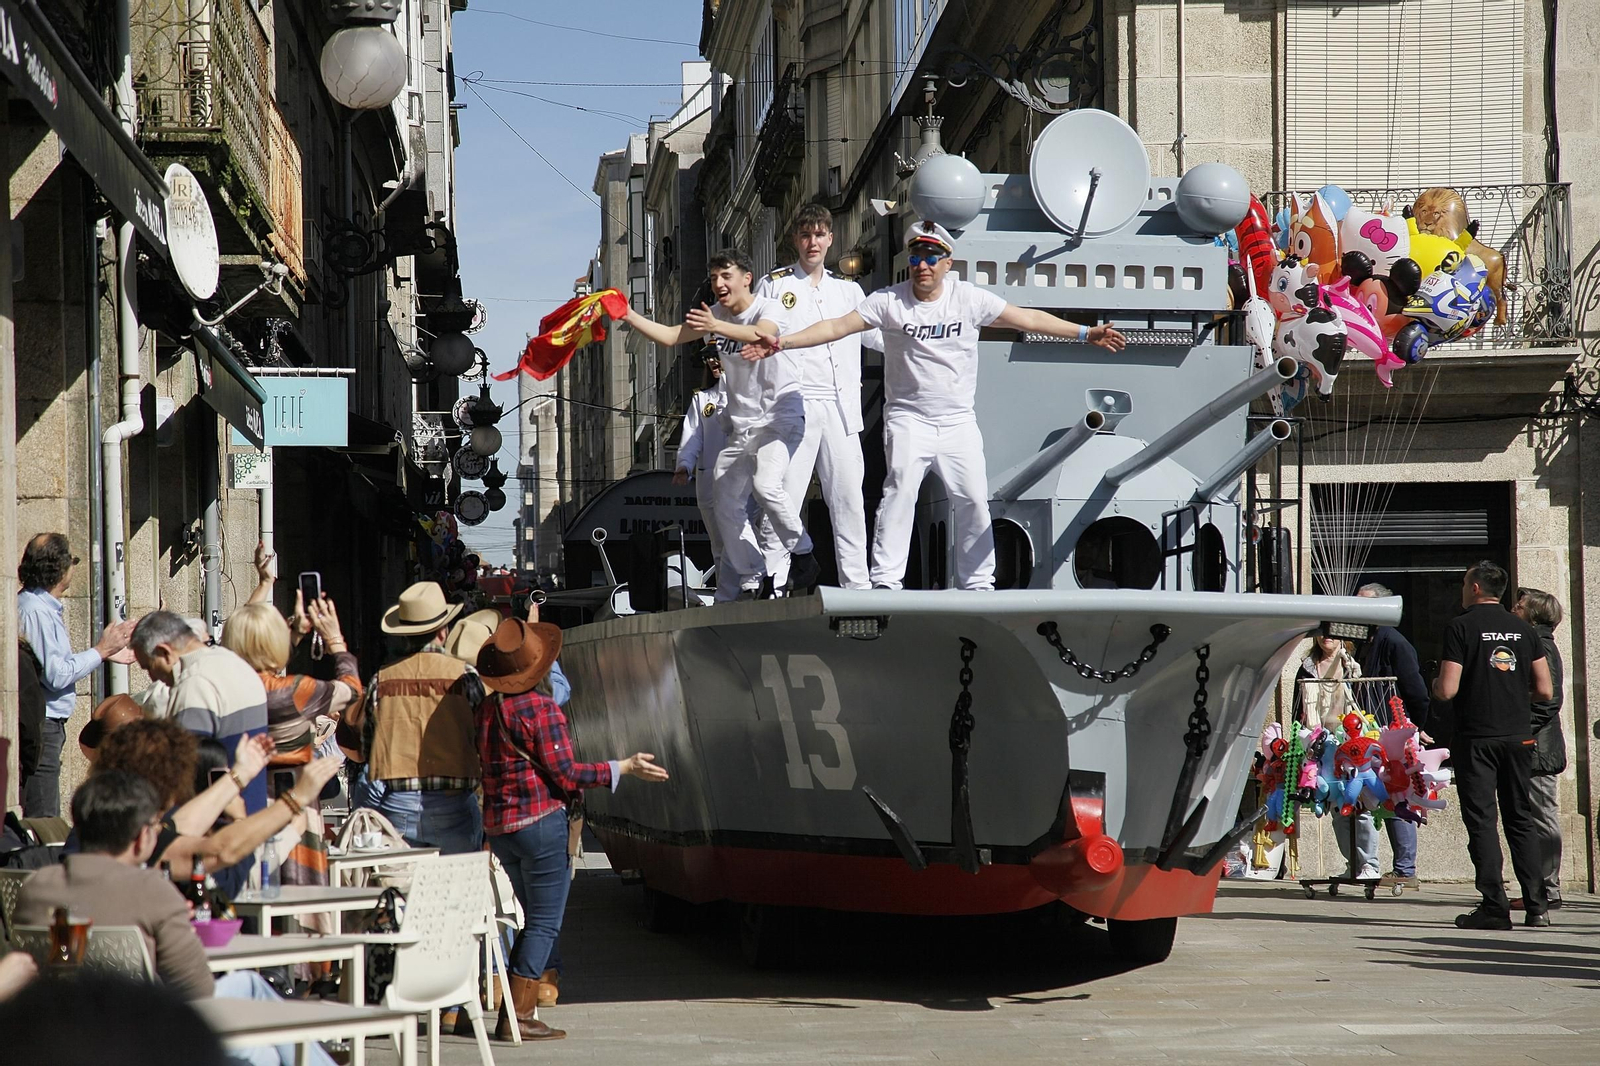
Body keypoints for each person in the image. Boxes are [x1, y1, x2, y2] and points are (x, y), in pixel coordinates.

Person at [745, 220, 1128, 590]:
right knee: (899, 493)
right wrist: (782, 342)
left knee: (974, 499)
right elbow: (834, 327)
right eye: (915, 258)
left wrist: (1085, 332)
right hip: (909, 419)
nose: (922, 266)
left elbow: (1024, 318)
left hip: (958, 420)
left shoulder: (969, 298)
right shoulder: (889, 301)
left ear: (947, 263)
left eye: (931, 258)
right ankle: (886, 582)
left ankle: (978, 583)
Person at [15, 772, 336, 1066]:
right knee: (259, 1029)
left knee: (256, 1016)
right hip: (147, 1031)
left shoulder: (34, 889)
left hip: (63, 1025)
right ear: (142, 838)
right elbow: (197, 988)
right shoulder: (151, 890)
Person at [474, 617, 669, 1041]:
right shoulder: (541, 709)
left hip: (502, 826)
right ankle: (518, 1016)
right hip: (541, 824)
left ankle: (517, 1007)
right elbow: (566, 773)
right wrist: (623, 767)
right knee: (545, 922)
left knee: (532, 917)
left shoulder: (488, 709)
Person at [628, 249, 820, 601]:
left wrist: (716, 327)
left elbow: (763, 335)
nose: (718, 284)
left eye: (726, 276)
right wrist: (627, 314)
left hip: (780, 415)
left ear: (747, 278)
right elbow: (671, 336)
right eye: (714, 277)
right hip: (743, 424)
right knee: (724, 503)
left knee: (765, 484)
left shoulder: (768, 307)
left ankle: (803, 553)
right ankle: (753, 576)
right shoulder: (713, 315)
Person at [752, 203, 882, 590]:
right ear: (795, 239)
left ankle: (857, 588)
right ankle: (772, 582)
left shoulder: (848, 290)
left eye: (819, 235)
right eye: (805, 234)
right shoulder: (775, 284)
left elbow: (877, 336)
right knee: (784, 498)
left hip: (841, 407)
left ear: (830, 239)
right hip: (793, 406)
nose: (813, 242)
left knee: (848, 501)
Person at [1432, 560, 1554, 929]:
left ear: (1474, 588)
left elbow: (1448, 688)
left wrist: (1434, 686)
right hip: (1519, 736)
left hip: (1477, 738)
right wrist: (1514, 697)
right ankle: (1537, 906)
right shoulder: (1523, 628)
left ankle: (1495, 907)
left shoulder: (1460, 627)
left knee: (1483, 821)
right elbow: (1545, 689)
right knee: (1521, 818)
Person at [94, 717, 340, 897]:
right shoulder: (139, 838)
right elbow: (221, 852)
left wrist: (239, 775)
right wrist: (296, 798)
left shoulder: (110, 816)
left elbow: (180, 824)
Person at [342, 582, 483, 853]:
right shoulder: (464, 675)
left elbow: (370, 748)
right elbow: (483, 735)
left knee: (405, 888)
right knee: (458, 890)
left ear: (405, 636)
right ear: (443, 631)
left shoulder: (381, 679)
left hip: (397, 806)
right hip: (454, 803)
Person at [16, 532, 138, 816]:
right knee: (43, 814)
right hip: (43, 722)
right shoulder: (35, 611)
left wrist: (103, 655)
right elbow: (56, 675)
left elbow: (55, 662)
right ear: (60, 569)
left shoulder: (41, 607)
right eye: (71, 562)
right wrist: (101, 650)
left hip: (48, 722)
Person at [131, 610, 270, 813]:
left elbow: (184, 776)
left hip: (218, 827)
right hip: (252, 816)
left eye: (149, 667)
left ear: (164, 652)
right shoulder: (234, 663)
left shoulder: (194, 684)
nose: (152, 677)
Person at [221, 597, 361, 763]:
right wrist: (335, 639)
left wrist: (296, 634)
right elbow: (351, 692)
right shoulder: (294, 690)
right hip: (287, 784)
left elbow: (263, 668)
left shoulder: (220, 686)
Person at [1354, 582, 1431, 883]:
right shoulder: (1366, 640)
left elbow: (1416, 690)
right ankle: (1375, 865)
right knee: (1379, 795)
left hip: (1392, 732)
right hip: (1371, 731)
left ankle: (1405, 869)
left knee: (1398, 795)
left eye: (1363, 604)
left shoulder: (1394, 642)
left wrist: (1412, 727)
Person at [1293, 633, 1376, 881]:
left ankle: (1369, 864)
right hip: (1321, 745)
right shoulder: (1307, 667)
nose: (1324, 637)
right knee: (1337, 807)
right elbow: (1297, 712)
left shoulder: (1351, 665)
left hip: (1351, 742)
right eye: (1320, 632)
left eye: (1331, 632)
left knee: (1360, 805)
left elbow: (1364, 702)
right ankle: (1352, 863)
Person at [1512, 586, 1565, 911]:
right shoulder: (1531, 644)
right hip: (1530, 746)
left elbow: (1549, 700)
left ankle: (1550, 888)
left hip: (1538, 749)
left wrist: (1519, 729)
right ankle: (1538, 887)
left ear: (1534, 614)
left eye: (1520, 605)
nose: (1514, 608)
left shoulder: (1541, 647)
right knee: (1532, 818)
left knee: (1543, 817)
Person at [673, 347, 731, 570]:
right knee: (718, 545)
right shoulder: (702, 399)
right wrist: (684, 465)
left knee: (742, 538)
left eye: (717, 356)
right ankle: (727, 596)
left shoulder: (746, 393)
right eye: (708, 357)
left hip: (741, 478)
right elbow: (693, 436)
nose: (713, 362)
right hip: (710, 481)